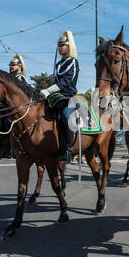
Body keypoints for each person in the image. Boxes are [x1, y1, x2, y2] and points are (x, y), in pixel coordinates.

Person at [41, 30, 79, 163]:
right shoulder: (58, 64)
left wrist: (49, 90)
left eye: (62, 45)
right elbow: (55, 81)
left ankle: (68, 149)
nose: (60, 47)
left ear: (69, 47)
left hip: (68, 97)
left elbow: (67, 81)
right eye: (59, 45)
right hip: (56, 97)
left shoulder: (73, 62)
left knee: (66, 115)